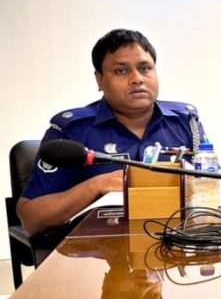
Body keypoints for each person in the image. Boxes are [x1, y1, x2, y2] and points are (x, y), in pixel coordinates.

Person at [18, 29, 208, 236]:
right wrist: (96, 185)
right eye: (121, 71)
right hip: (96, 247)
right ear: (99, 80)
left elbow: (212, 191)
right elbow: (32, 219)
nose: (137, 79)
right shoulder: (72, 131)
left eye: (145, 68)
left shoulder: (185, 122)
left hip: (176, 240)